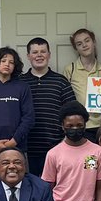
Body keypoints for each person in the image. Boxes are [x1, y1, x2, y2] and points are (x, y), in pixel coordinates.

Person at [42, 102, 101, 201]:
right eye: (70, 126)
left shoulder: (97, 151)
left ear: (85, 124)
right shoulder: (53, 154)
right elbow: (47, 187)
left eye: (79, 125)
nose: (75, 129)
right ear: (63, 126)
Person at [20, 37, 76, 174]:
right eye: (35, 52)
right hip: (26, 148)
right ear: (28, 56)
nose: (39, 55)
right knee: (29, 187)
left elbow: (72, 111)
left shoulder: (61, 81)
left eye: (43, 51)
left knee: (54, 188)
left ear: (49, 55)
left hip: (55, 146)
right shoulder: (19, 83)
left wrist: (65, 139)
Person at [63, 27, 101, 138]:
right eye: (79, 44)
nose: (84, 45)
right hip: (79, 125)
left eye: (87, 40)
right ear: (76, 48)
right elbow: (64, 99)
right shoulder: (70, 70)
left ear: (94, 42)